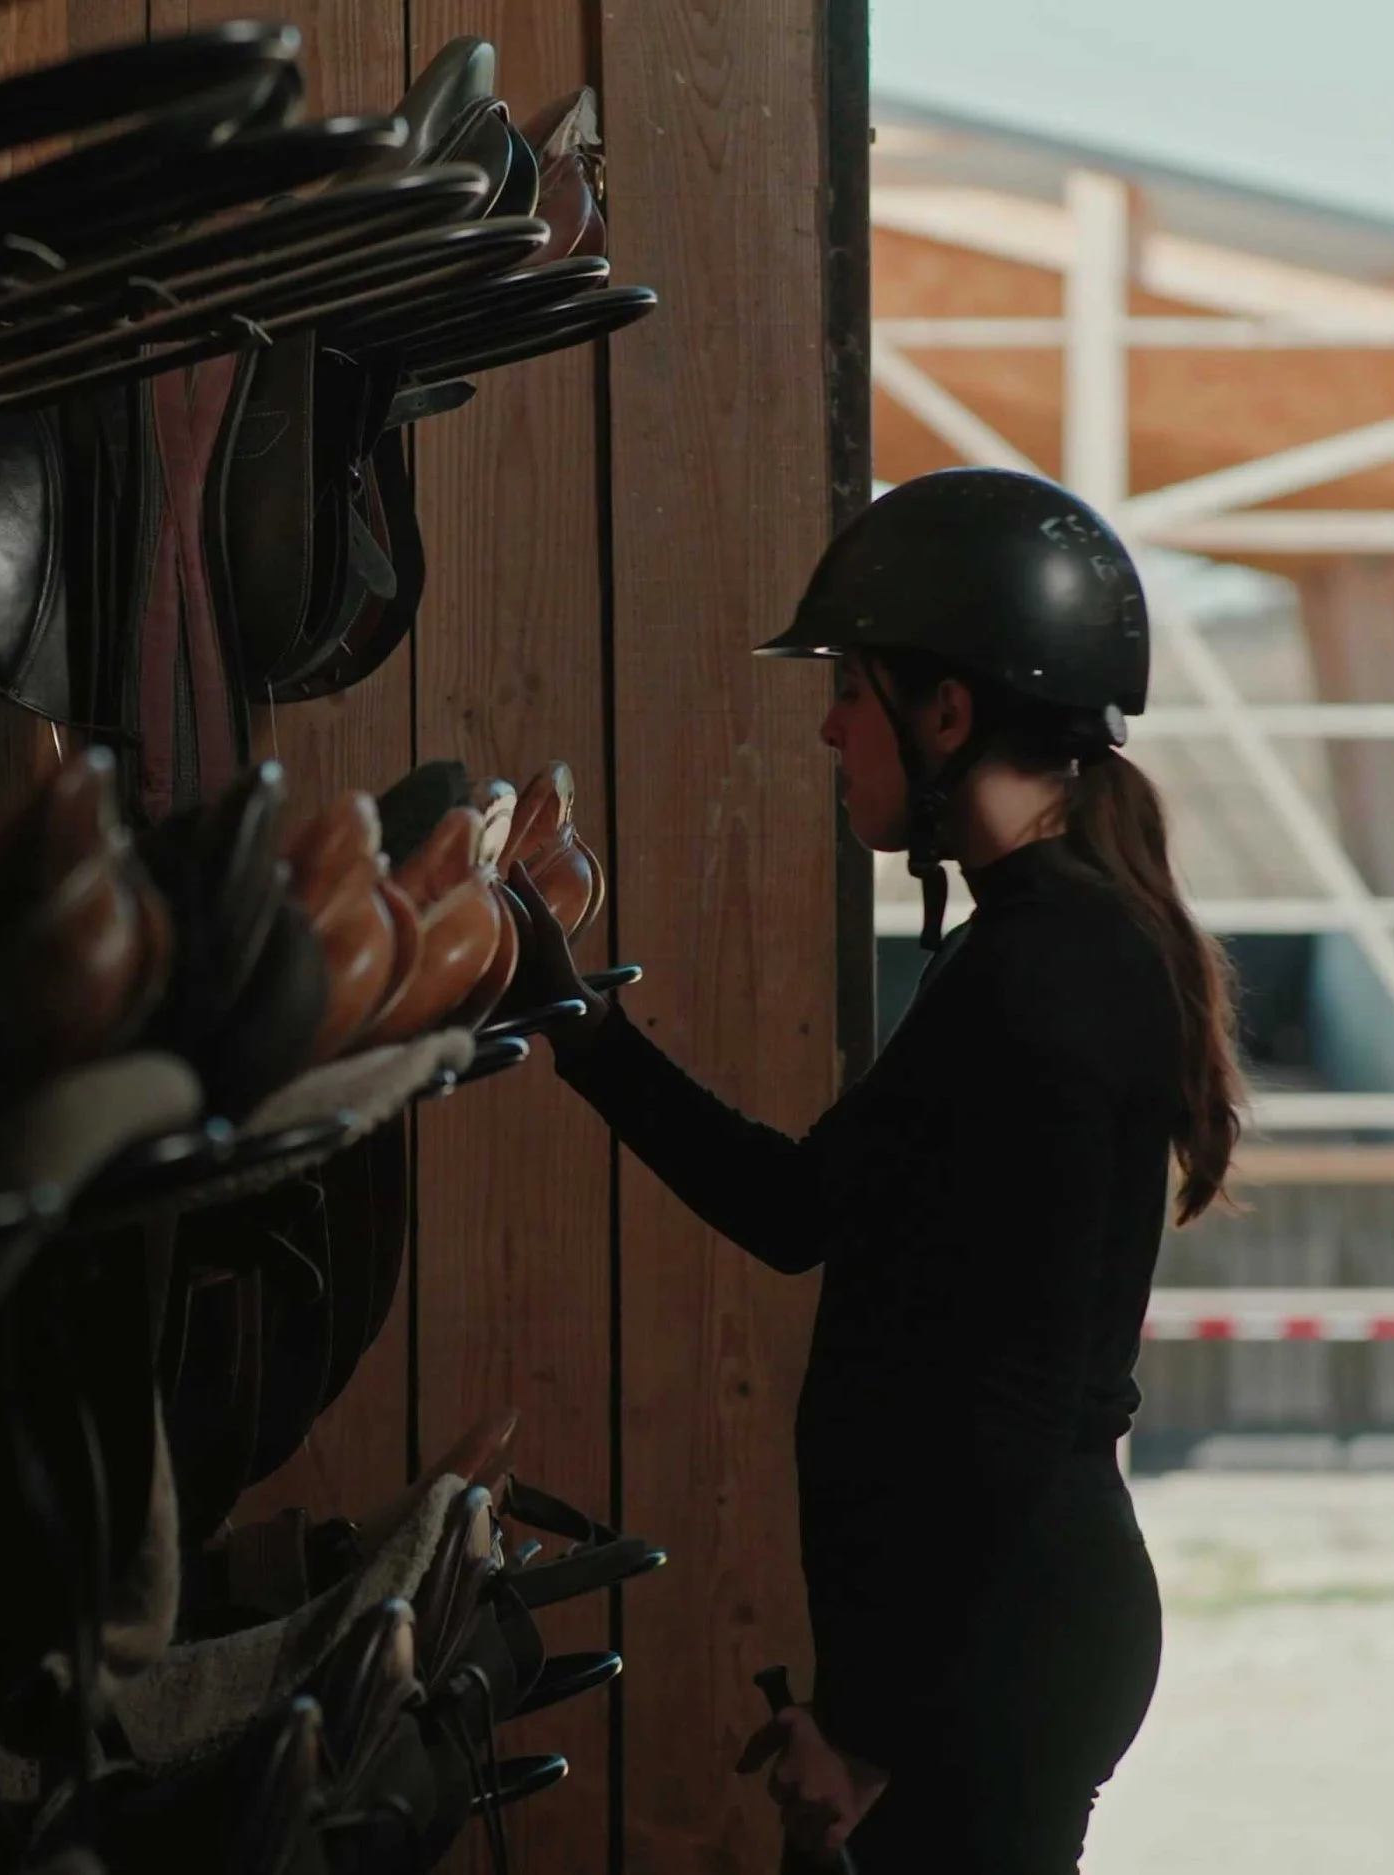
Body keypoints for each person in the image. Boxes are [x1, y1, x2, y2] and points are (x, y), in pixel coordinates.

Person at [502, 467, 1243, 1872]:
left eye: (851, 687)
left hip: (996, 1643)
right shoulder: (1044, 941)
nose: (833, 725)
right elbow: (833, 1229)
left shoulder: (1039, 966)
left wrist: (884, 1725)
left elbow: (978, 1386)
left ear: (946, 712)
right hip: (1005, 1629)